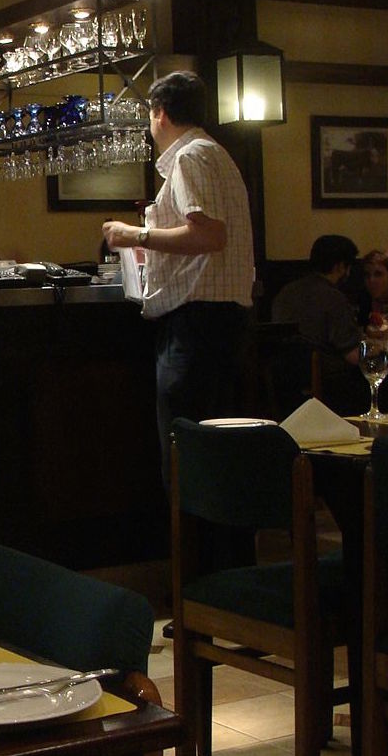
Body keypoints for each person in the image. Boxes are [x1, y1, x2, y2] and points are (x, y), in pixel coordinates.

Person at [102, 70, 254, 482]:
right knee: (218, 455)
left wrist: (136, 234)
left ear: (160, 114)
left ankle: (192, 543)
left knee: (189, 457)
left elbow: (210, 235)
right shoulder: (217, 153)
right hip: (222, 322)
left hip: (197, 326)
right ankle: (218, 545)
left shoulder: (190, 156)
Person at [271, 235, 366, 415]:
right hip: (328, 389)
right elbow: (353, 355)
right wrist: (383, 346)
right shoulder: (333, 297)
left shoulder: (286, 293)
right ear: (339, 266)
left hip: (281, 385)